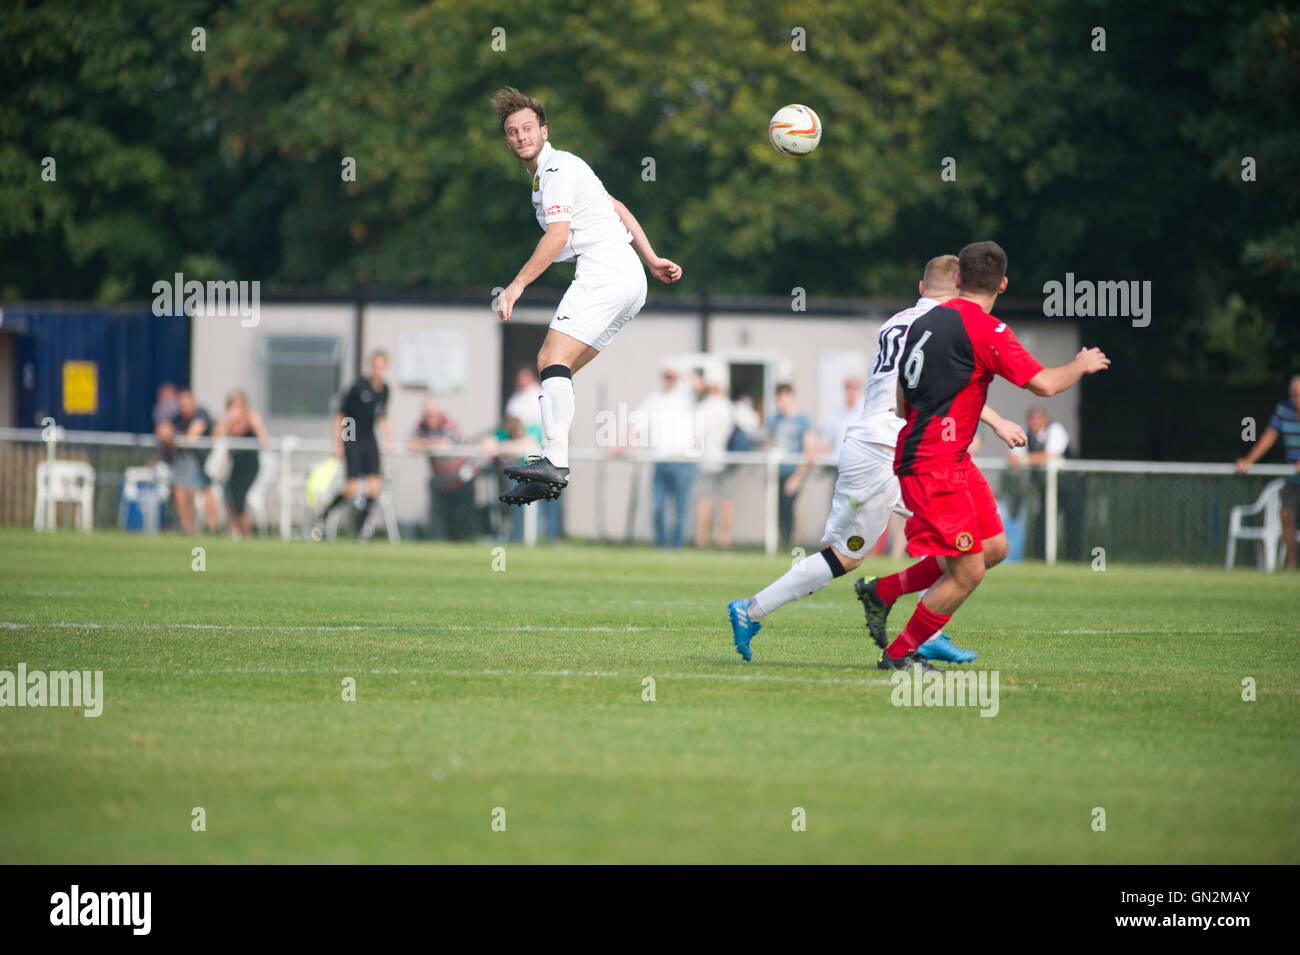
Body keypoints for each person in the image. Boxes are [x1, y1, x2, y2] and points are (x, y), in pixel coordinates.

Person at [727, 255, 1026, 663]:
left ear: (921, 288)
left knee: (964, 543)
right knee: (848, 556)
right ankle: (751, 609)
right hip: (890, 448)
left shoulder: (895, 321)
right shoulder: (950, 325)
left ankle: (925, 629)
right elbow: (939, 388)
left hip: (885, 446)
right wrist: (994, 421)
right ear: (961, 286)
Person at [858, 241, 1110, 672]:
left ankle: (882, 592)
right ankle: (900, 655)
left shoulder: (926, 322)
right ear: (1003, 284)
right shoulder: (986, 330)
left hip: (947, 459)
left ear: (958, 280)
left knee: (993, 547)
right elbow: (1045, 384)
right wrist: (1081, 363)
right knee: (968, 571)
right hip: (933, 466)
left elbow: (902, 400)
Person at [490, 87, 683, 506]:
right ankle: (550, 468)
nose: (521, 136)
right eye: (512, 131)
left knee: (548, 359)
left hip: (606, 271)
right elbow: (614, 206)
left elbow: (558, 235)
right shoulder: (554, 173)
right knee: (559, 370)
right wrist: (650, 259)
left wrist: (517, 285)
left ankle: (554, 463)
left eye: (527, 128)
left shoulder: (556, 169)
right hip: (629, 279)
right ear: (507, 140)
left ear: (544, 131)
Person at [313, 351, 393, 540]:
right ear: (370, 366)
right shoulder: (358, 387)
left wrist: (388, 440)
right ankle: (323, 516)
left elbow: (382, 417)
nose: (378, 369)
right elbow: (342, 415)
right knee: (352, 488)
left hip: (369, 440)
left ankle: (360, 529)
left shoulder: (385, 390)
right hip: (353, 439)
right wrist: (340, 441)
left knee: (375, 487)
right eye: (375, 365)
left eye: (381, 366)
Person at [1236, 374, 1300, 569]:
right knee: (1285, 514)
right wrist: (1248, 461)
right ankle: (1291, 565)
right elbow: (1268, 437)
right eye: (1295, 395)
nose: (1298, 400)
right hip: (1294, 479)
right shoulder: (1284, 410)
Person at [635, 365, 696, 549]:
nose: (668, 380)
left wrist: (679, 370)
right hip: (661, 462)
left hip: (682, 461)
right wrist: (620, 445)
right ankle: (662, 545)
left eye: (671, 377)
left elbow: (700, 385)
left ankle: (676, 547)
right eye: (666, 376)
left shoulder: (684, 395)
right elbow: (638, 423)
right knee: (658, 508)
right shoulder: (654, 399)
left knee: (680, 510)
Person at [409, 399, 477, 541]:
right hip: (441, 481)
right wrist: (428, 444)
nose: (428, 419)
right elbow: (411, 442)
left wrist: (423, 444)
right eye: (426, 415)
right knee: (440, 522)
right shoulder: (422, 426)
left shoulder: (449, 424)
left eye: (432, 415)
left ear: (440, 415)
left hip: (461, 478)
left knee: (462, 524)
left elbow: (444, 446)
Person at [156, 388, 218, 535]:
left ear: (193, 402)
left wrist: (176, 438)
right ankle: (188, 528)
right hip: (186, 463)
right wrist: (169, 435)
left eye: (186, 403)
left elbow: (191, 437)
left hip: (206, 461)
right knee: (181, 489)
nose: (184, 407)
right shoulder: (178, 418)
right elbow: (163, 430)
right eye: (181, 404)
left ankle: (213, 528)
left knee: (207, 491)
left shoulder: (201, 414)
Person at [766, 383, 817, 550]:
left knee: (789, 510)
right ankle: (779, 544)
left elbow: (809, 450)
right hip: (777, 472)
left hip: (793, 472)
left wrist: (797, 477)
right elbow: (770, 442)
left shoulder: (802, 420)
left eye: (783, 397)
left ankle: (791, 545)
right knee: (777, 510)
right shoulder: (775, 419)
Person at [213, 389, 269, 539]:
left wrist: (252, 423)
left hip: (249, 466)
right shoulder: (226, 421)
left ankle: (246, 534)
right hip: (232, 466)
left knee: (240, 501)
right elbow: (215, 437)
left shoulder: (252, 418)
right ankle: (233, 534)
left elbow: (264, 441)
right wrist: (228, 421)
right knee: (229, 501)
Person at [694, 375, 736, 549]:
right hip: (725, 460)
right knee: (726, 500)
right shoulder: (728, 407)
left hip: (705, 461)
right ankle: (724, 540)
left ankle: (702, 540)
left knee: (704, 501)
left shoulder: (702, 408)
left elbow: (696, 438)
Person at [504, 367, 543, 432]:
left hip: (533, 431)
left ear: (533, 377)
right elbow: (509, 412)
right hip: (514, 430)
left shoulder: (538, 392)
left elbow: (538, 418)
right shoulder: (516, 394)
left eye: (525, 376)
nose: (521, 379)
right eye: (520, 376)